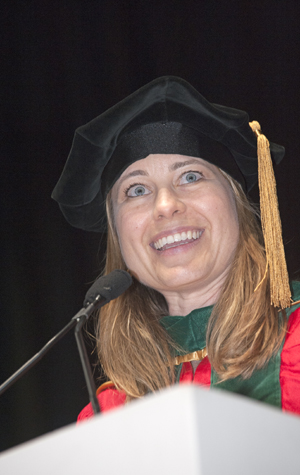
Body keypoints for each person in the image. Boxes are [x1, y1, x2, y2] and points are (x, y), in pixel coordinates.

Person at [52, 76, 300, 420]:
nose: (165, 205)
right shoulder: (107, 415)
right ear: (119, 235)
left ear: (237, 203)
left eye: (190, 177)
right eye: (137, 190)